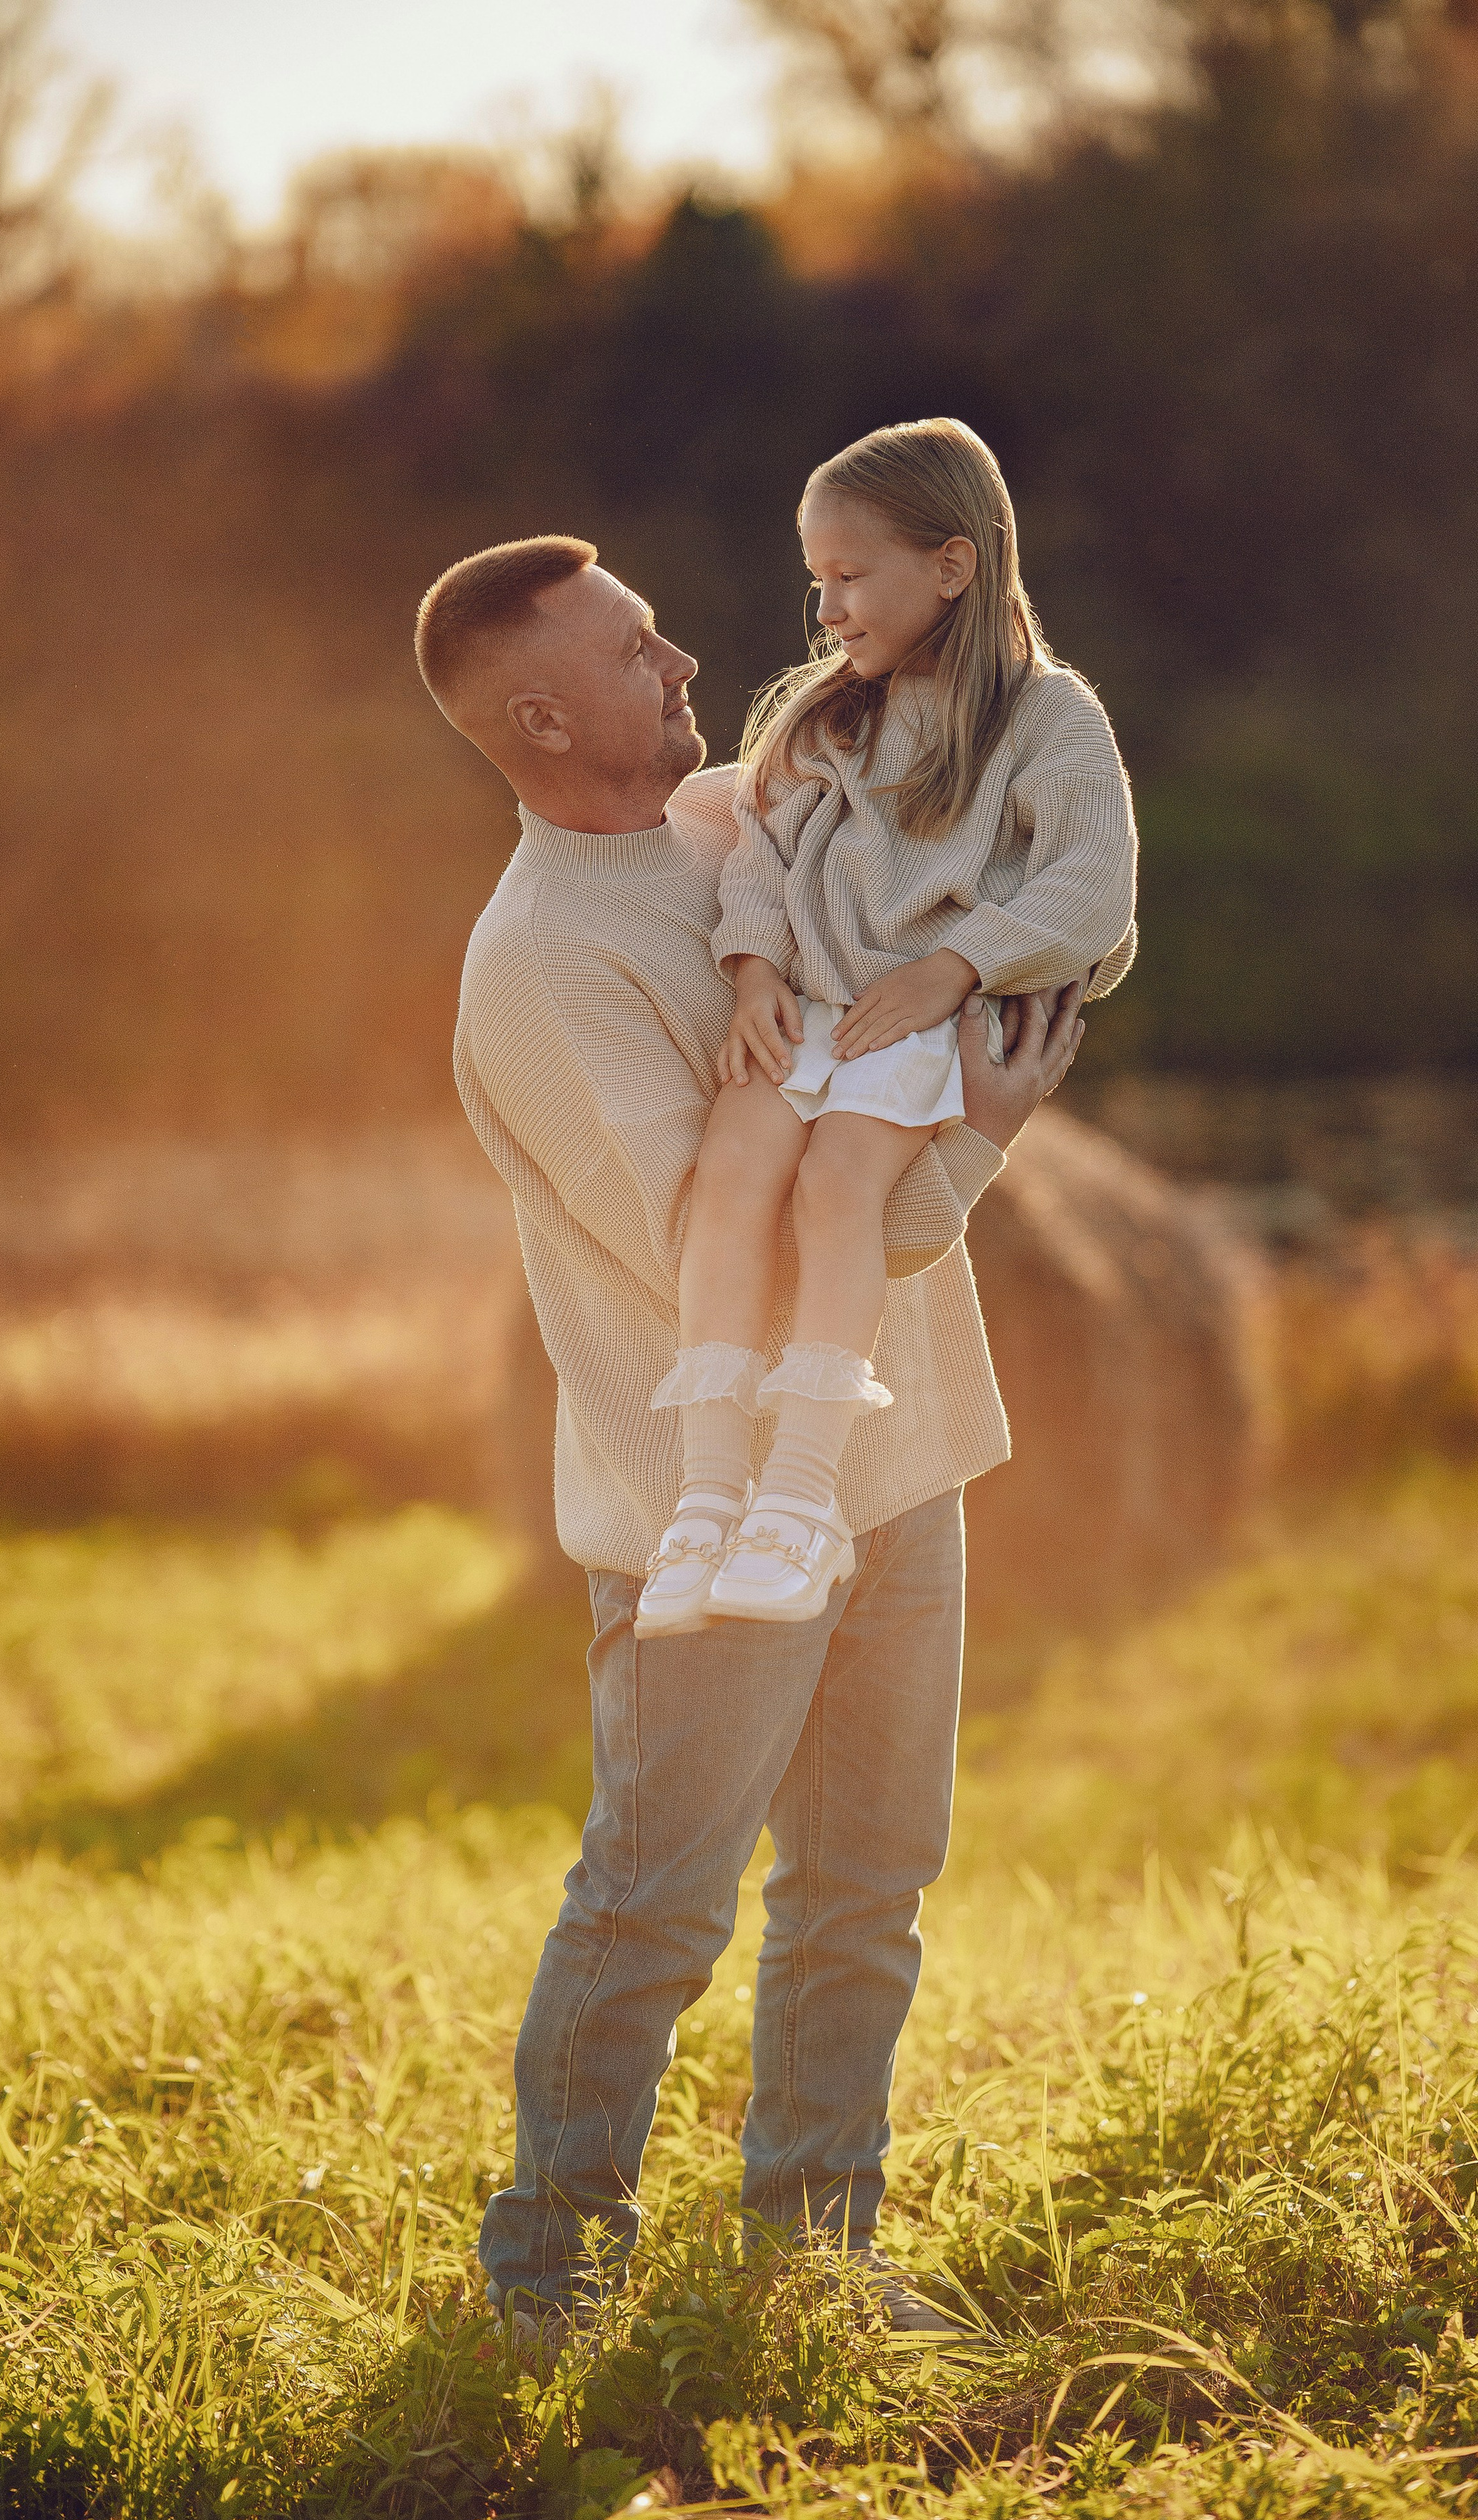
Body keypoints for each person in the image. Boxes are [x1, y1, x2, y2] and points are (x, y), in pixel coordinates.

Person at [415, 529, 1088, 2344]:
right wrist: (981, 1136)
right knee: (656, 1909)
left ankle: (816, 2258)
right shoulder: (543, 965)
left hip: (901, 1457)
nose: (686, 663)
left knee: (867, 1891)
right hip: (705, 1523)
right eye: (637, 651)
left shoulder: (742, 824)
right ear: (543, 719)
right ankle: (546, 2277)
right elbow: (738, 1261)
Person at [637, 419, 1137, 1638]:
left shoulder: (1048, 719)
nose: (827, 610)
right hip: (805, 1006)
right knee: (732, 1175)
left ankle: (800, 1496)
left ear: (952, 566)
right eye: (817, 580)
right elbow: (761, 852)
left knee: (837, 1187)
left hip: (921, 1020)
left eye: (850, 577)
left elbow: (1094, 884)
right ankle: (708, 1493)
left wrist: (953, 971)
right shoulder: (827, 714)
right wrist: (752, 973)